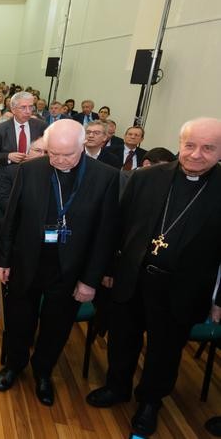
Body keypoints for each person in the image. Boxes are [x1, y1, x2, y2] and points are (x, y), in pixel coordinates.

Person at [85, 117, 221, 436]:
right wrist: (106, 270)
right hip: (133, 278)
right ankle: (117, 387)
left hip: (182, 288)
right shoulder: (146, 177)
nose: (196, 154)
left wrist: (219, 300)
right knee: (122, 339)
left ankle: (150, 402)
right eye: (190, 145)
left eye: (208, 148)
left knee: (165, 349)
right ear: (179, 143)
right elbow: (115, 228)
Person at [0, 119, 119, 406]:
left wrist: (90, 280)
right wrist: (3, 260)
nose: (60, 160)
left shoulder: (105, 177)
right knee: (18, 320)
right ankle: (14, 365)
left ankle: (43, 372)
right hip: (28, 262)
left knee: (56, 326)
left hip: (70, 270)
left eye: (67, 155)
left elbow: (105, 234)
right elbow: (12, 218)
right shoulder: (30, 169)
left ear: (82, 145)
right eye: (54, 154)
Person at [0, 92, 48, 218]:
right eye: (23, 107)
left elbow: (49, 150)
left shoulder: (41, 126)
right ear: (13, 109)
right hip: (7, 179)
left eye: (31, 107)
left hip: (35, 175)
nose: (28, 111)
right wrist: (8, 156)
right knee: (9, 212)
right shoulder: (1, 129)